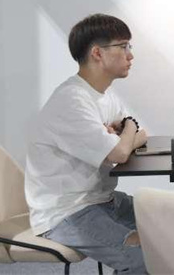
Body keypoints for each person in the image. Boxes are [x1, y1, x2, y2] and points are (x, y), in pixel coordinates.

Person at [25, 14, 148, 274]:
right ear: (97, 53)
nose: (130, 55)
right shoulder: (72, 100)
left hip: (104, 200)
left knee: (173, 230)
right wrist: (127, 128)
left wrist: (125, 132)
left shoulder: (105, 95)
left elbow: (140, 135)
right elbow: (121, 152)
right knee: (143, 258)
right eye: (123, 46)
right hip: (67, 212)